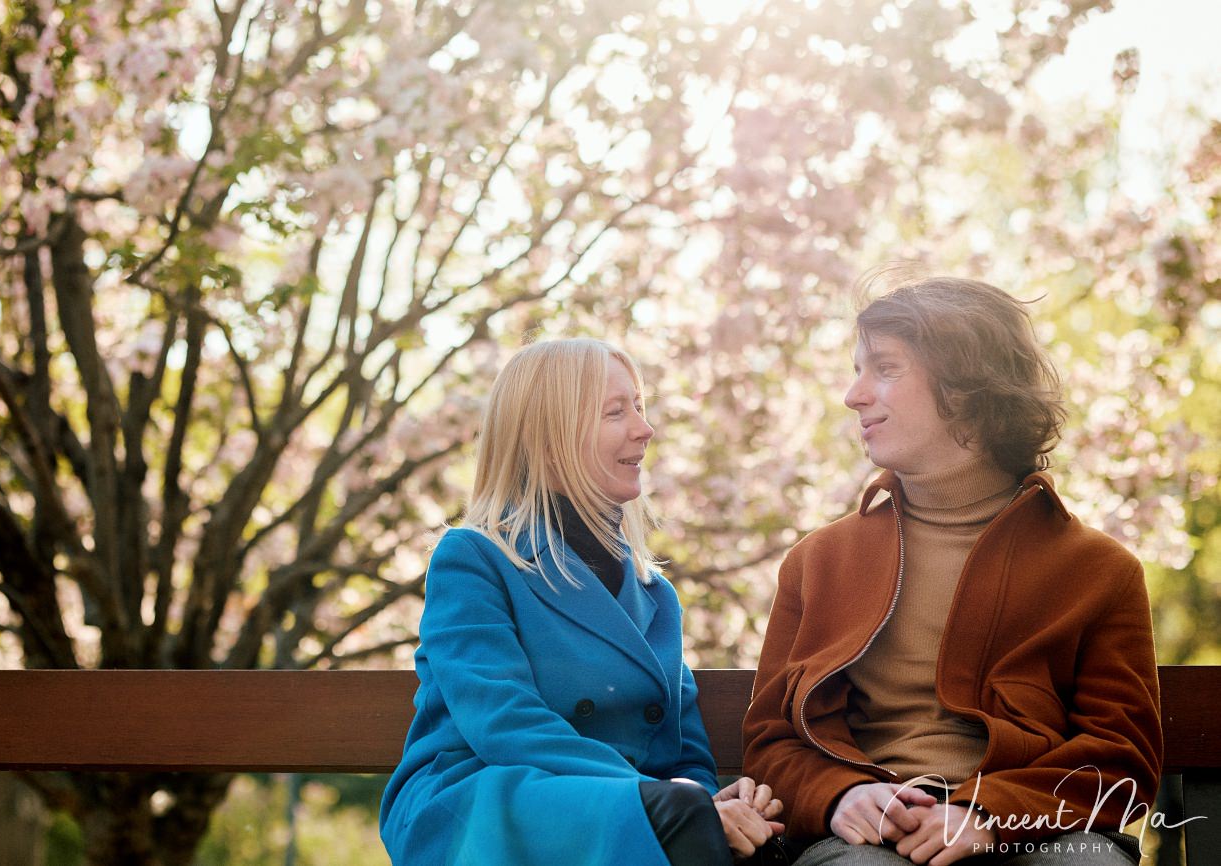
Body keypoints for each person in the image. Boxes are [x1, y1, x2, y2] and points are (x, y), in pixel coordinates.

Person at [743, 271, 1163, 865]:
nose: (854, 394)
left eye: (885, 369)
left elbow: (1121, 753)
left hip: (1040, 831)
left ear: (968, 388)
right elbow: (770, 740)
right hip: (865, 840)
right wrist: (841, 795)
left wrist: (985, 813)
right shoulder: (819, 562)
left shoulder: (1100, 570)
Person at [380, 338, 784, 866]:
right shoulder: (474, 559)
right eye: (616, 412)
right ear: (549, 441)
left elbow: (681, 753)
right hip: (484, 800)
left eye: (639, 406)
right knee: (684, 818)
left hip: (615, 808)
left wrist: (708, 796)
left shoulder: (652, 594)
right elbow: (506, 724)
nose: (645, 428)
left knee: (757, 839)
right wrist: (659, 799)